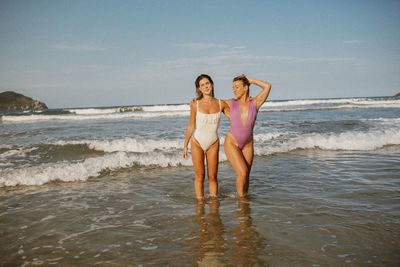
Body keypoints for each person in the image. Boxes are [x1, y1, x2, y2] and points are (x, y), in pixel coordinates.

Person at [182, 74, 229, 200]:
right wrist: (185, 146)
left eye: (207, 83)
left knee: (213, 176)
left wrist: (243, 102)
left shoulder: (221, 104)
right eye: (202, 85)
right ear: (199, 89)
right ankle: (200, 203)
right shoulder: (195, 104)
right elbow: (191, 125)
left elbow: (235, 118)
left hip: (213, 143)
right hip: (197, 142)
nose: (206, 86)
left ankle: (214, 203)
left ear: (212, 84)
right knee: (200, 176)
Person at [224, 75, 271, 198]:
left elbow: (267, 86)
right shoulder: (230, 103)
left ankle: (244, 198)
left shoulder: (255, 103)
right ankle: (241, 202)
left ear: (246, 88)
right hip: (232, 142)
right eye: (233, 87)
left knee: (246, 175)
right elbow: (212, 104)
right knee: (243, 172)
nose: (234, 90)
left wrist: (251, 80)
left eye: (237, 87)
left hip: (248, 144)